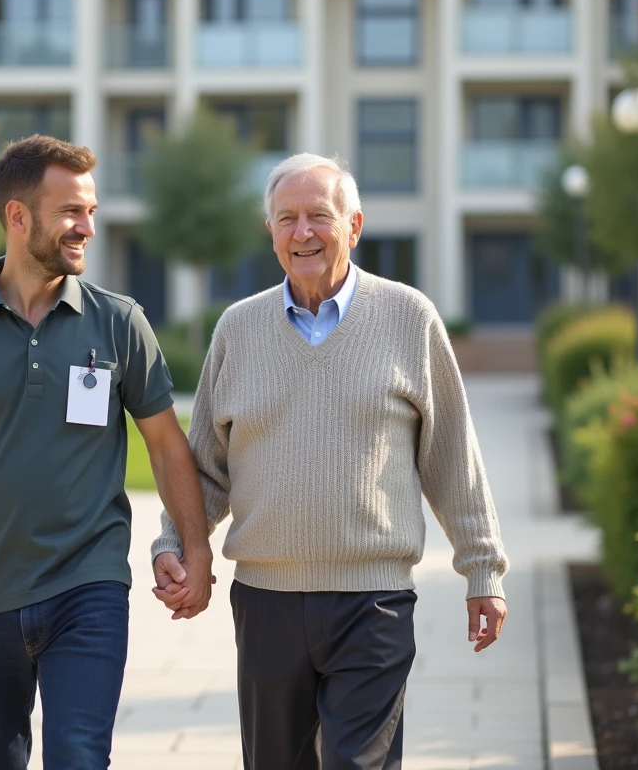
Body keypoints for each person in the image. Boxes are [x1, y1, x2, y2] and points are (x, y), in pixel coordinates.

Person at [150, 153, 510, 770]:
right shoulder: (237, 330)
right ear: (270, 233)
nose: (303, 232)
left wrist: (483, 569)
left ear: (355, 225)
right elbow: (207, 465)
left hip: (373, 601)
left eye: (320, 215)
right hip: (266, 602)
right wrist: (175, 543)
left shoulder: (409, 318)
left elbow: (452, 454)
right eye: (286, 218)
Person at [0, 134, 214, 770]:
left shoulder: (119, 323)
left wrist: (195, 548)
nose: (87, 226)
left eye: (90, 210)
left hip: (88, 584)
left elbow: (168, 447)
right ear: (17, 216)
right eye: (70, 212)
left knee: (78, 758)